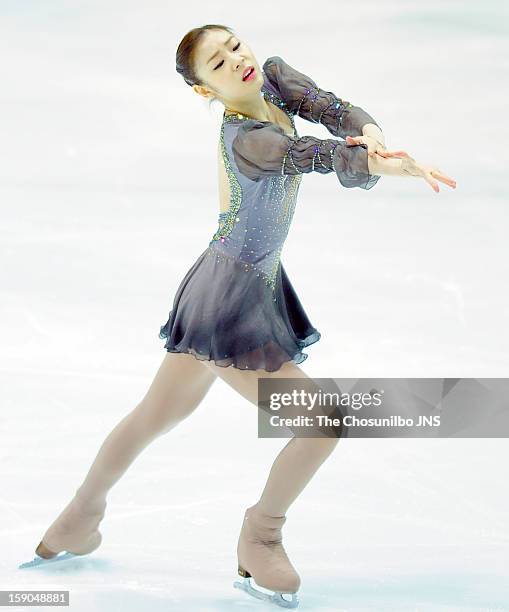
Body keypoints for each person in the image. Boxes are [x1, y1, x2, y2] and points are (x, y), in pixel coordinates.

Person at [23, 24, 456, 609]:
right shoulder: (244, 138)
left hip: (241, 281)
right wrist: (389, 166)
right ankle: (261, 535)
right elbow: (316, 154)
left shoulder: (274, 78)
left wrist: (375, 138)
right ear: (206, 90)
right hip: (228, 299)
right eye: (219, 65)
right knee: (323, 420)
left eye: (234, 47)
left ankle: (80, 515)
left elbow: (332, 110)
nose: (237, 61)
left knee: (157, 413)